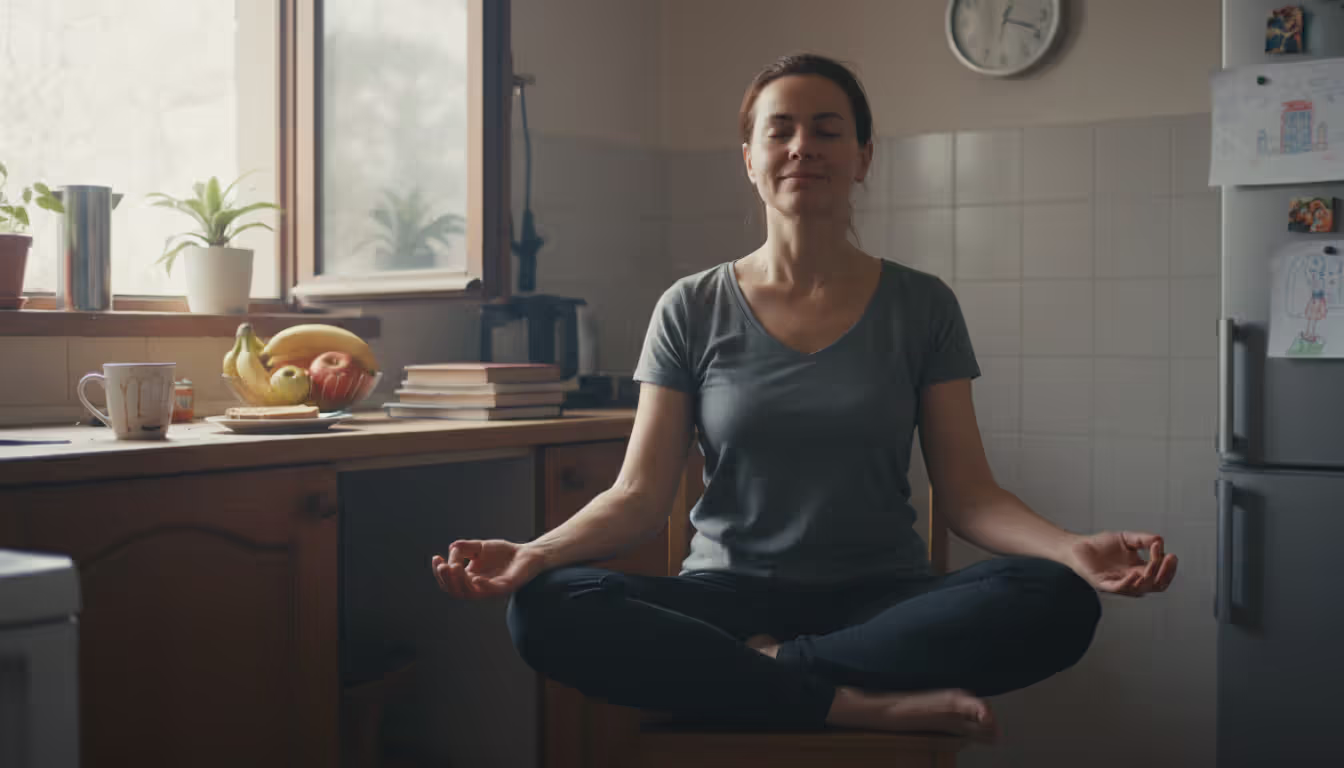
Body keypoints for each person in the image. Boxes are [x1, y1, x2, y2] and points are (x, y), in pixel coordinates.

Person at [431, 53, 1178, 743]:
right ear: (749, 159)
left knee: (1058, 598)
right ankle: (845, 700)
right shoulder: (690, 307)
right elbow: (636, 496)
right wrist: (533, 554)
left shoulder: (923, 306)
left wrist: (1070, 549)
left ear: (863, 158)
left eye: (828, 130)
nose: (802, 147)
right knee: (543, 608)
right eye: (779, 130)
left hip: (882, 603)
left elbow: (970, 495)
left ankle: (776, 670)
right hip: (725, 599)